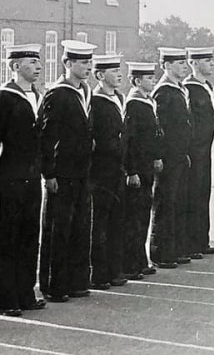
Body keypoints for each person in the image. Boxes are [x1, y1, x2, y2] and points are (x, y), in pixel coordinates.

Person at [0, 43, 45, 316]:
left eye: (38, 62)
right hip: (10, 178)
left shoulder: (37, 95)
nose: (38, 67)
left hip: (32, 178)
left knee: (30, 237)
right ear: (15, 66)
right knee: (8, 239)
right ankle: (6, 299)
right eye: (31, 62)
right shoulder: (4, 96)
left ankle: (25, 293)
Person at [38, 40, 96, 302]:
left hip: (82, 171)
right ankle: (54, 284)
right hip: (61, 172)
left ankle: (75, 281)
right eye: (83, 63)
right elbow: (47, 135)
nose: (88, 68)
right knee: (58, 229)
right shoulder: (57, 93)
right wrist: (48, 173)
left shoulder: (84, 91)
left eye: (89, 62)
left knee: (80, 227)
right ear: (68, 64)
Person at [90, 54, 130, 289]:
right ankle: (99, 272)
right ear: (99, 75)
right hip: (102, 170)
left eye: (118, 69)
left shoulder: (120, 98)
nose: (119, 73)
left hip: (118, 170)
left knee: (117, 222)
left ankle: (115, 269)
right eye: (113, 70)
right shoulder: (95, 101)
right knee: (101, 224)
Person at [151, 47, 193, 268]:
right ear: (166, 66)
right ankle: (161, 252)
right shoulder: (163, 92)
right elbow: (159, 129)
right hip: (167, 157)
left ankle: (173, 249)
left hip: (178, 155)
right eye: (178, 63)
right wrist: (159, 156)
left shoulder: (178, 89)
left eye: (184, 63)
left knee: (177, 202)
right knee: (165, 204)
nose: (184, 67)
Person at [123, 62, 162, 279]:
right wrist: (131, 170)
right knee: (134, 218)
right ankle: (131, 263)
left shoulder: (148, 101)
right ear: (137, 81)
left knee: (143, 216)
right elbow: (129, 141)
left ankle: (139, 260)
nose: (153, 81)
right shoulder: (134, 104)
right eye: (148, 78)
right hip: (138, 167)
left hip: (147, 166)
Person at [183, 47, 214, 258]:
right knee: (193, 195)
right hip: (194, 149)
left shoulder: (207, 86)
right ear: (194, 64)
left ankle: (201, 240)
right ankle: (192, 243)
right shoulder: (190, 88)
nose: (211, 64)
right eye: (206, 60)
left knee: (203, 193)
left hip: (205, 149)